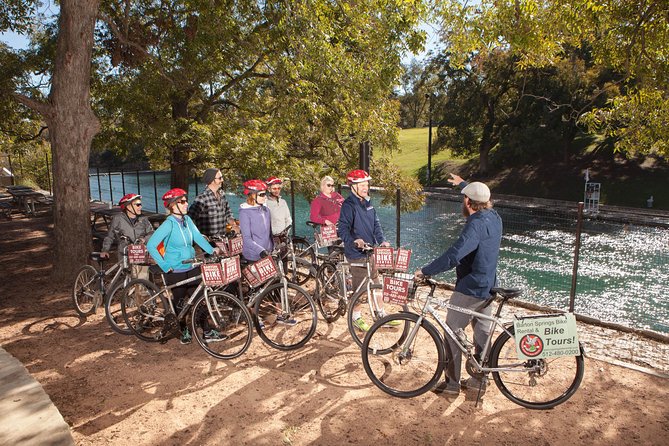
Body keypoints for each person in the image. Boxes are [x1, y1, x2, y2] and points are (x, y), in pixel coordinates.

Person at [414, 173, 502, 395]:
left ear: (468, 202)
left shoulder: (475, 225)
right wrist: (464, 185)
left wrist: (426, 271)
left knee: (452, 331)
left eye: (464, 198)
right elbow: (479, 195)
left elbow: (455, 255)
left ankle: (452, 384)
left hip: (470, 287)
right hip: (489, 285)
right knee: (482, 333)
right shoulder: (495, 217)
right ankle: (480, 379)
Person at [147, 188, 221, 344]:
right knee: (180, 303)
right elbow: (151, 245)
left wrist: (211, 251)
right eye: (182, 201)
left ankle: (207, 331)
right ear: (173, 206)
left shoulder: (187, 220)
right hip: (175, 269)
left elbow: (198, 238)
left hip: (192, 265)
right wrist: (165, 265)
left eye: (186, 200)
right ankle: (183, 330)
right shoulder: (169, 224)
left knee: (200, 299)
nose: (186, 203)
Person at [337, 169, 393, 332]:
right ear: (352, 186)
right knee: (361, 288)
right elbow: (343, 229)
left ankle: (381, 314)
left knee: (376, 283)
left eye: (366, 184)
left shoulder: (368, 203)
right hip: (356, 253)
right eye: (361, 184)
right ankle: (356, 318)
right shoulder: (349, 205)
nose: (365, 187)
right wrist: (354, 241)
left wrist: (382, 241)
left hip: (371, 251)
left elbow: (376, 225)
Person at [100, 194, 154, 280]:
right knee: (127, 279)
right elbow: (109, 236)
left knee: (141, 280)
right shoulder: (118, 218)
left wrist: (144, 239)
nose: (140, 207)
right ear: (128, 206)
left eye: (141, 204)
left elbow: (152, 233)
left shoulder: (143, 219)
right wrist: (105, 250)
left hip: (140, 253)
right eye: (137, 205)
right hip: (124, 253)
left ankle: (139, 292)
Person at [187, 168, 237, 237]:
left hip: (223, 240)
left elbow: (228, 212)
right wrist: (196, 236)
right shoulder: (202, 198)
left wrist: (233, 224)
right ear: (211, 180)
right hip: (209, 243)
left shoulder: (222, 194)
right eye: (220, 178)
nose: (222, 180)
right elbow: (188, 219)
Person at [238, 180, 273, 262]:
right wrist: (260, 250)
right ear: (252, 195)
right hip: (253, 256)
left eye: (265, 194)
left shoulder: (266, 210)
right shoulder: (245, 213)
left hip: (267, 253)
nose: (265, 197)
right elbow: (246, 238)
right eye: (262, 195)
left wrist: (272, 247)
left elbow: (269, 234)